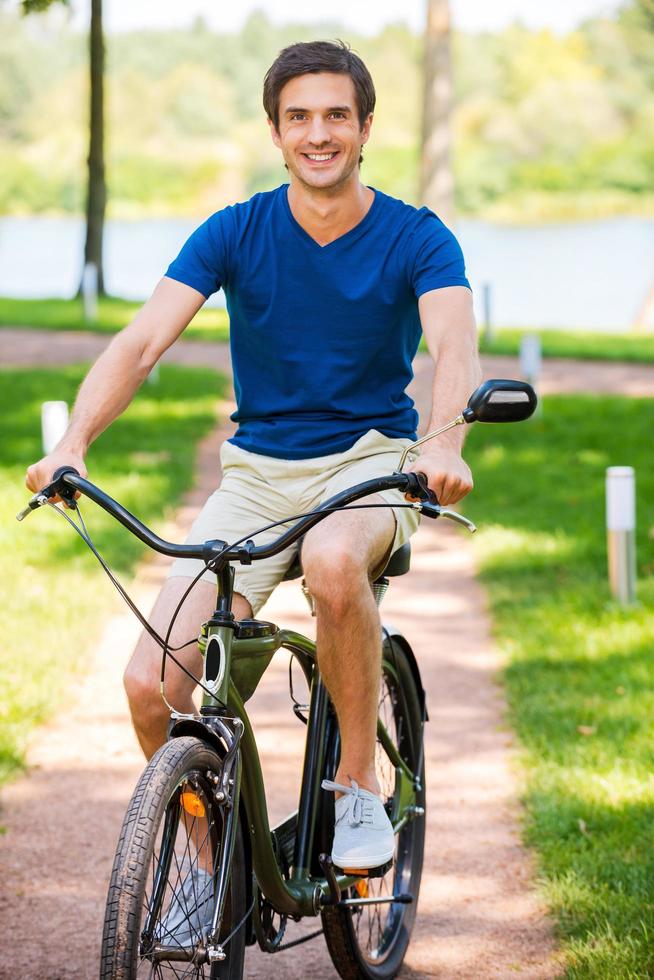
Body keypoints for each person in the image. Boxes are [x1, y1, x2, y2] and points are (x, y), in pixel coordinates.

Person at [26, 40, 481, 874]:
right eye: (298, 116)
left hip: (372, 460)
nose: (318, 133)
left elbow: (453, 343)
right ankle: (209, 869)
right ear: (275, 131)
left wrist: (445, 441)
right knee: (147, 684)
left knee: (334, 560)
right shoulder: (236, 230)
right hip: (257, 477)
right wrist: (71, 444)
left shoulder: (417, 237)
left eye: (336, 115)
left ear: (365, 126)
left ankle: (354, 788)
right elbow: (139, 346)